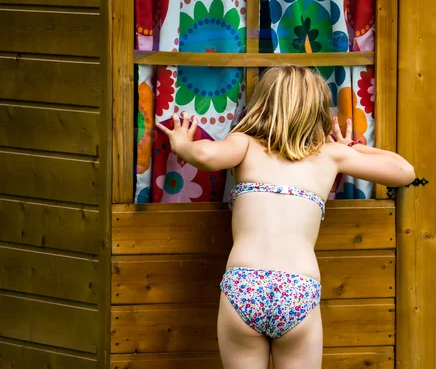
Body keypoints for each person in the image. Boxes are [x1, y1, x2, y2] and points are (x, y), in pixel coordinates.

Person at [156, 65, 416, 369]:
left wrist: (183, 145)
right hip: (297, 288)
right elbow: (404, 172)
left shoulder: (244, 143)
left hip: (245, 284)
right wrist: (353, 148)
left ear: (262, 104)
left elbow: (207, 157)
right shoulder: (331, 155)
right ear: (317, 110)